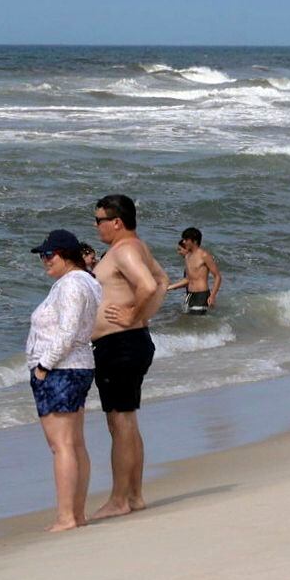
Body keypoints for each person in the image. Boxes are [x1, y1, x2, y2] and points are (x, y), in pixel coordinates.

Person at [89, 194, 165, 519]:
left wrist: (133, 315)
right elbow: (162, 281)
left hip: (120, 344)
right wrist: (143, 316)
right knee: (127, 420)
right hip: (130, 342)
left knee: (119, 421)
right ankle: (134, 496)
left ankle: (120, 499)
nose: (96, 226)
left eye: (99, 220)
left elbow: (148, 285)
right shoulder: (138, 248)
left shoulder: (125, 250)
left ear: (116, 222)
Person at [25, 229, 100, 532]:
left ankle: (67, 516)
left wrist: (44, 365)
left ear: (66, 255)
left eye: (48, 255)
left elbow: (68, 331)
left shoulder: (70, 284)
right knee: (74, 444)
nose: (44, 261)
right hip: (75, 367)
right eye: (43, 256)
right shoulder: (85, 282)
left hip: (62, 370)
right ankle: (76, 514)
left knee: (63, 446)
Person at [168, 227, 222, 314]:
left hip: (201, 295)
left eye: (186, 239)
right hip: (190, 295)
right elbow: (188, 279)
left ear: (195, 241)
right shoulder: (187, 256)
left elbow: (218, 276)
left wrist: (212, 296)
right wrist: (169, 287)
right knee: (188, 323)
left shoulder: (204, 255)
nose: (184, 242)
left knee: (197, 324)